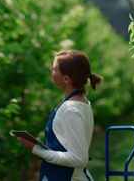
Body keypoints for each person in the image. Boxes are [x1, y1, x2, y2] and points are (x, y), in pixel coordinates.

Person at [17, 50, 103, 181]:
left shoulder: (70, 109)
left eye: (55, 68)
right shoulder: (82, 102)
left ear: (66, 79)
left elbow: (80, 160)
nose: (51, 68)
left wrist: (37, 150)